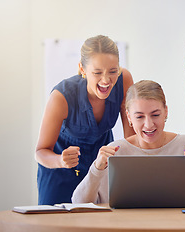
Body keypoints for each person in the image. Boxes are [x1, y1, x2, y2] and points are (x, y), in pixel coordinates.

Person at [72, 80, 185, 203]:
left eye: (155, 115)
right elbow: (78, 202)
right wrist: (97, 169)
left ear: (165, 112)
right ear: (129, 117)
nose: (148, 125)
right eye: (139, 117)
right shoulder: (114, 151)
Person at [35, 35, 135, 205]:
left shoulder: (124, 79)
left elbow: (132, 137)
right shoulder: (61, 97)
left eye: (113, 71)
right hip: (61, 170)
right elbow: (40, 152)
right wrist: (60, 160)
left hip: (100, 167)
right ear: (82, 69)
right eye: (97, 73)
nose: (106, 80)